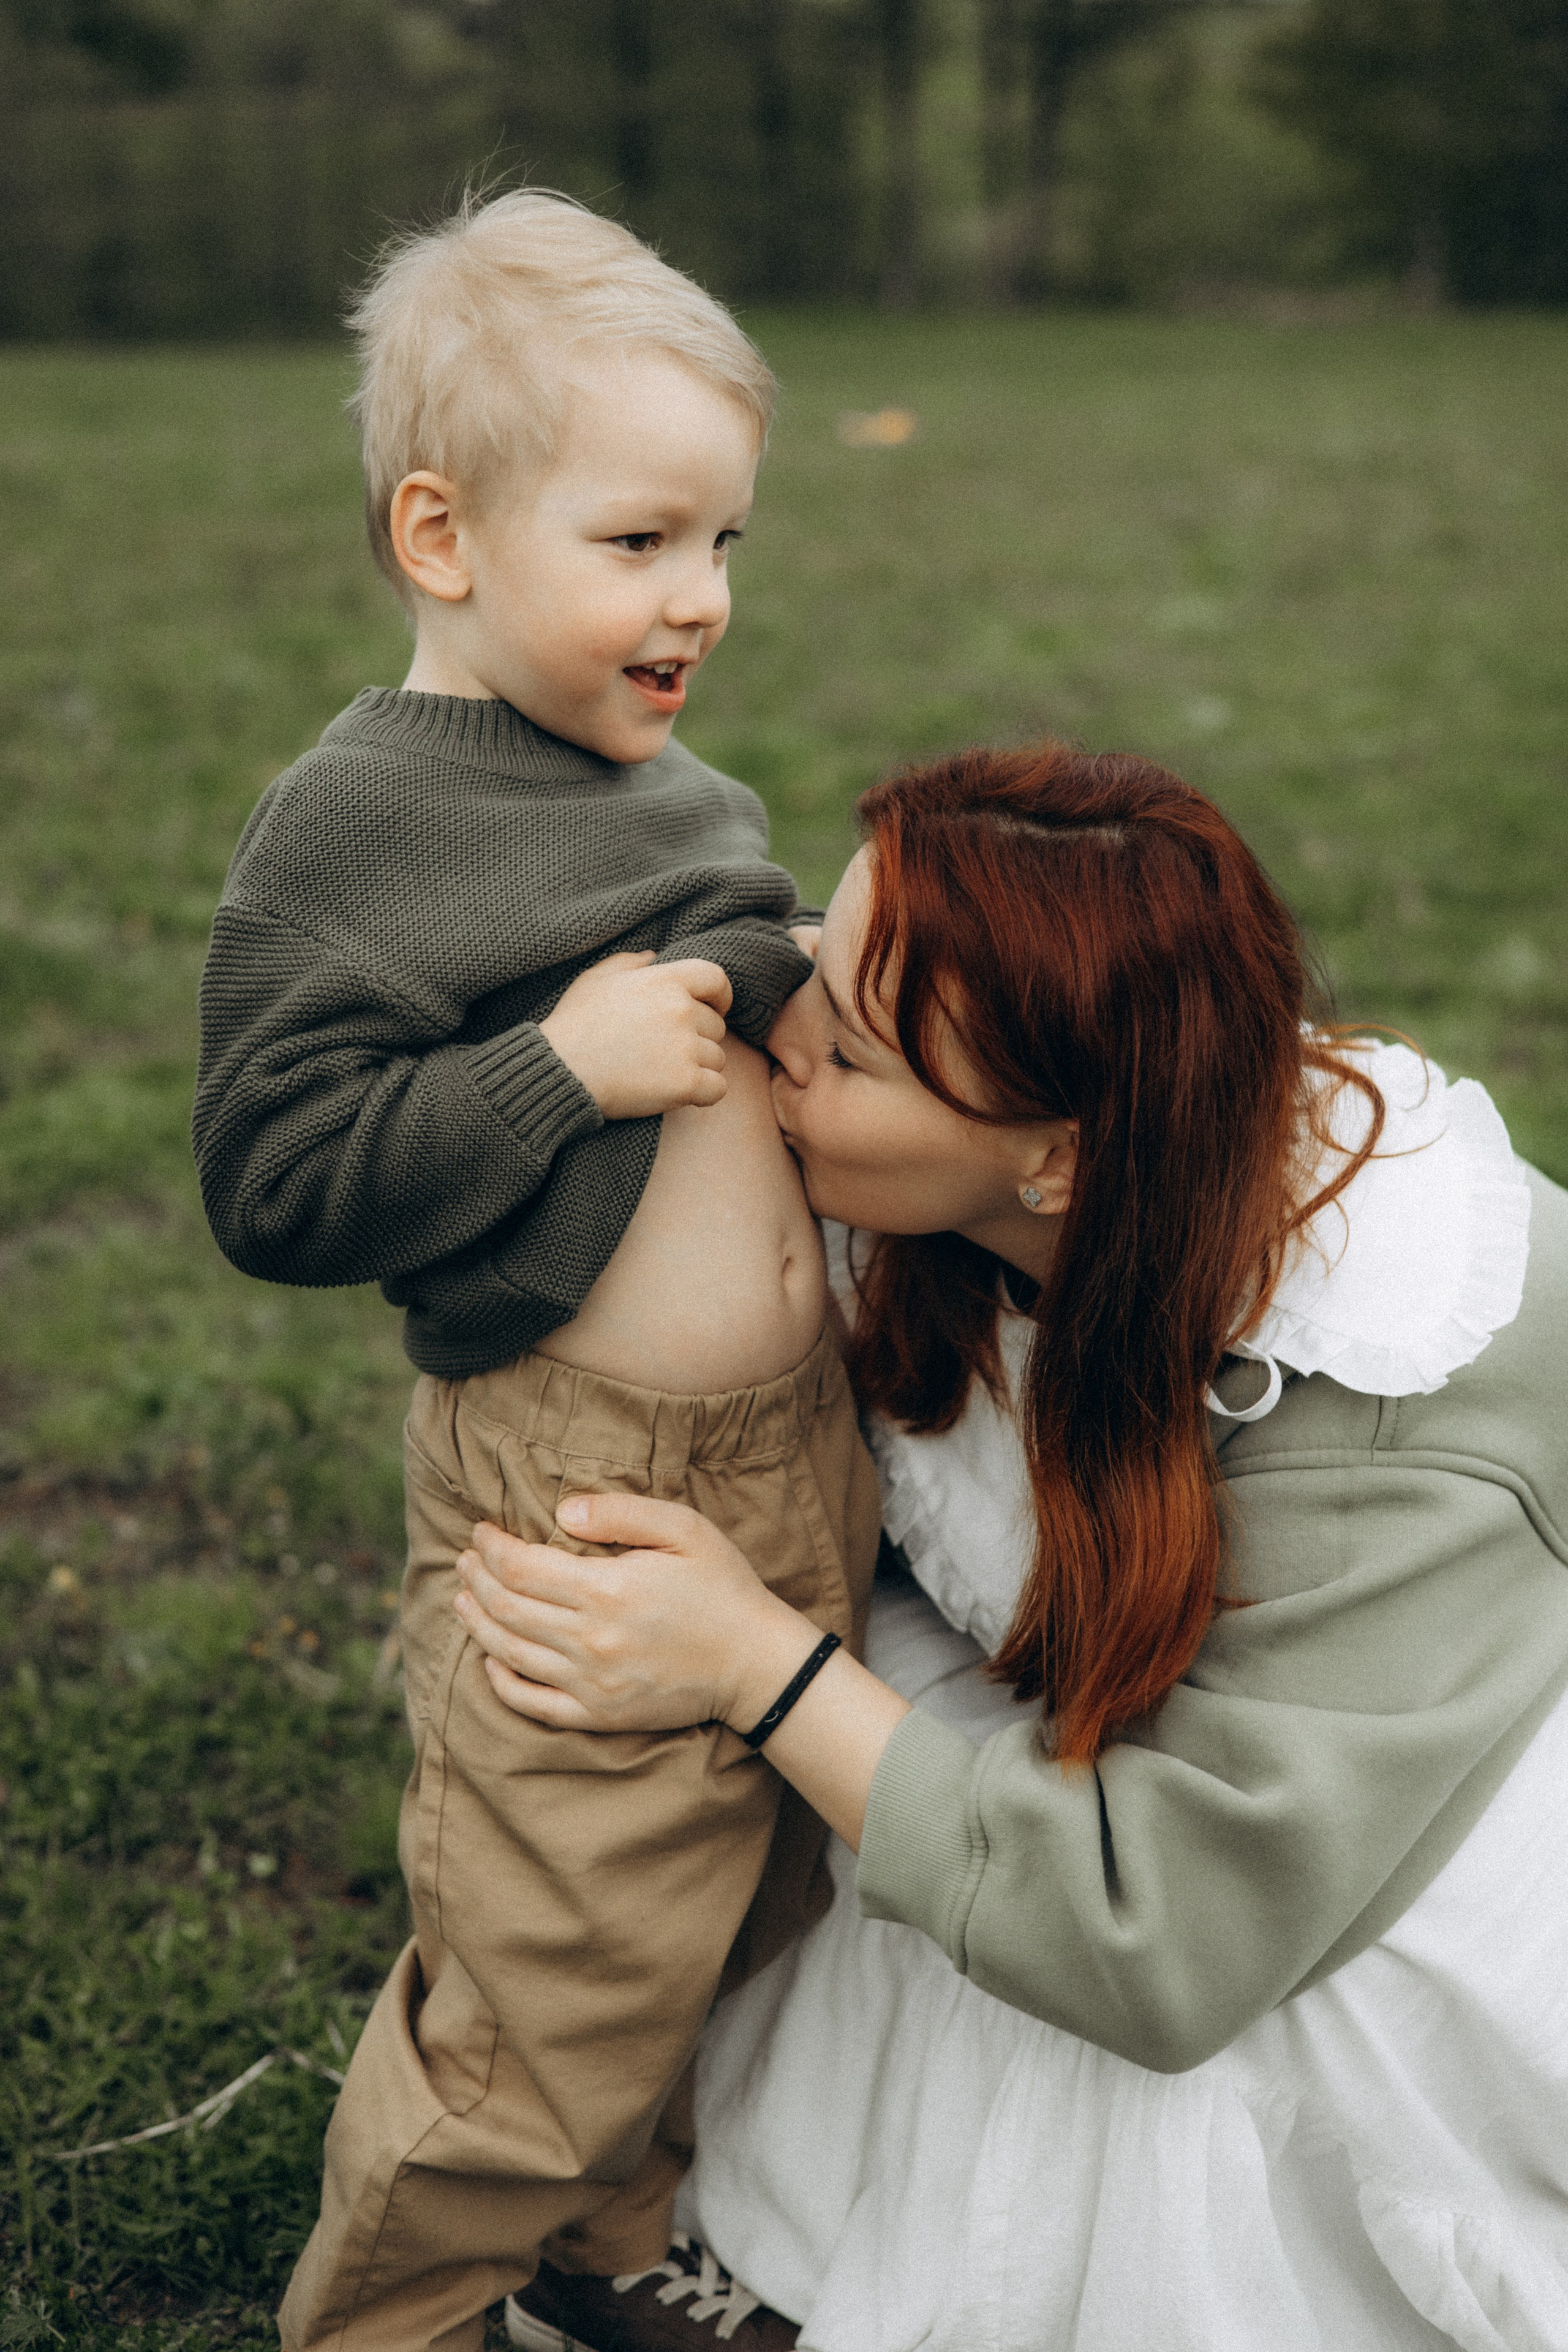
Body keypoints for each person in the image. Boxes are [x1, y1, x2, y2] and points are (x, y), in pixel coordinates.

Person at [454, 744, 1568, 2352]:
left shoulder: (1388, 1385)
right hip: (1165, 1718)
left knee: (1201, 2036)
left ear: (1054, 1159)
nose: (776, 1035)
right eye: (813, 972)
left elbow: (1169, 1939)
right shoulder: (1027, 1172)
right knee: (912, 1772)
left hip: (1406, 1810)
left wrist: (755, 1663)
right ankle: (774, 2216)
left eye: (844, 1047)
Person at [190, 190, 879, 2352]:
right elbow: (277, 1178)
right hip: (580, 1488)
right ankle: (395, 2309)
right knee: (554, 1965)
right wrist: (551, 1075)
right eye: (643, 542)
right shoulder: (357, 833)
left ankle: (603, 2247)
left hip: (787, 1467)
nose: (701, 600)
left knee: (739, 1910)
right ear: (440, 535)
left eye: (728, 546)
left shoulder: (661, 781)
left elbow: (741, 946)